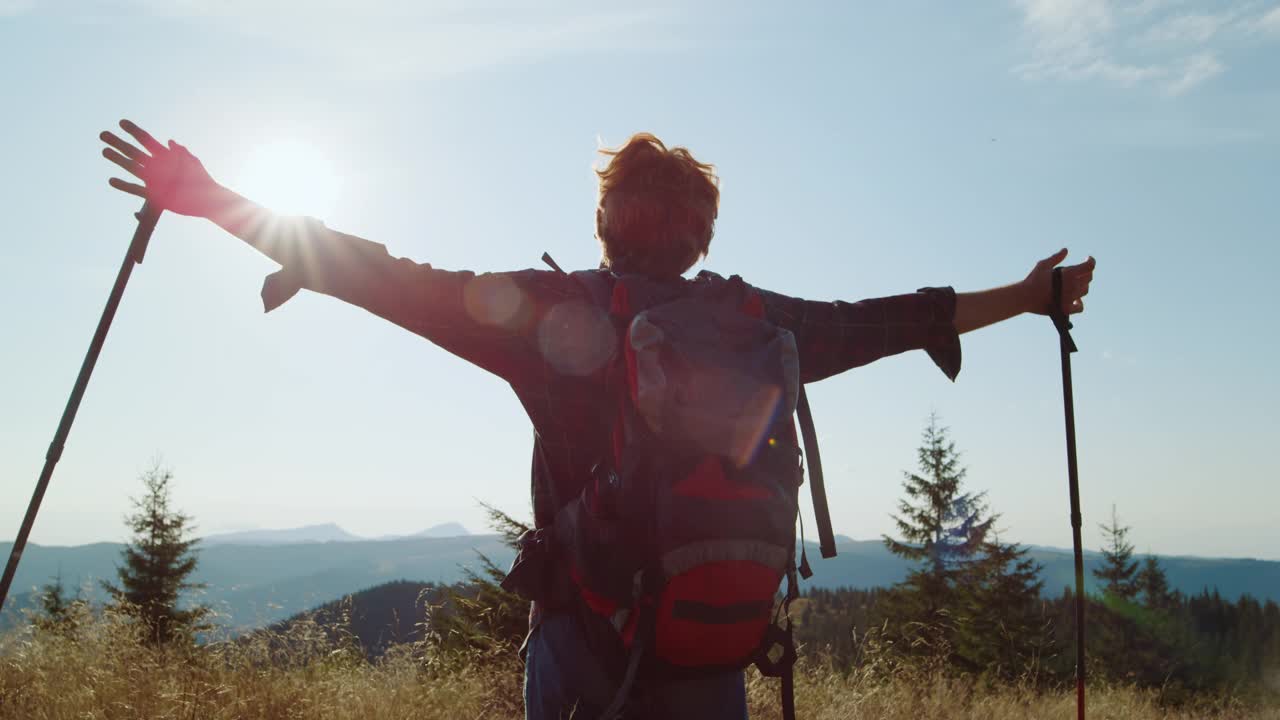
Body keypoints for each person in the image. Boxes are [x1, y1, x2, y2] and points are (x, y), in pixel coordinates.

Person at [99, 120, 1095, 719]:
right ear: (697, 234)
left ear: (609, 218)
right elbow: (887, 322)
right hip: (712, 651)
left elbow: (391, 280)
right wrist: (1025, 295)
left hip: (584, 642)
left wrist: (211, 199)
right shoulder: (756, 325)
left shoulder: (555, 315)